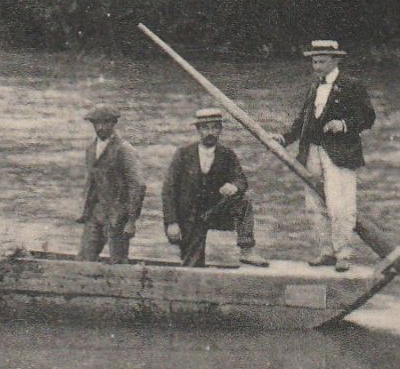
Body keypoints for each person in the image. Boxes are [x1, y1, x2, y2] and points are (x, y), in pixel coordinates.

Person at [281, 40, 376, 271]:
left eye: (322, 61)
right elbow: (303, 119)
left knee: (340, 204)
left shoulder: (352, 85)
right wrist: (285, 139)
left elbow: (367, 117)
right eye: (314, 61)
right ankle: (326, 251)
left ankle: (343, 254)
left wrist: (343, 124)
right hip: (312, 151)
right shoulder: (314, 87)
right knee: (314, 205)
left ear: (336, 61)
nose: (317, 66)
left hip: (340, 153)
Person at [162, 107, 269, 267]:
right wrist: (172, 222)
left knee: (243, 201)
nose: (210, 132)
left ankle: (246, 250)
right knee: (192, 264)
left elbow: (241, 180)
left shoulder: (227, 154)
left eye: (214, 127)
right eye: (205, 128)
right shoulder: (183, 154)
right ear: (198, 130)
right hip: (190, 217)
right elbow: (168, 190)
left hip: (215, 213)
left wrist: (234, 186)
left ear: (220, 130)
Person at [76, 106, 145, 263]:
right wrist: (84, 210)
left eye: (105, 123)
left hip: (117, 216)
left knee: (118, 262)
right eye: (96, 123)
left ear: (114, 123)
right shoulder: (91, 149)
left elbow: (138, 186)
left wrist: (131, 220)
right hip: (95, 213)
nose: (100, 127)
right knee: (83, 259)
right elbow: (91, 183)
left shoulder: (124, 150)